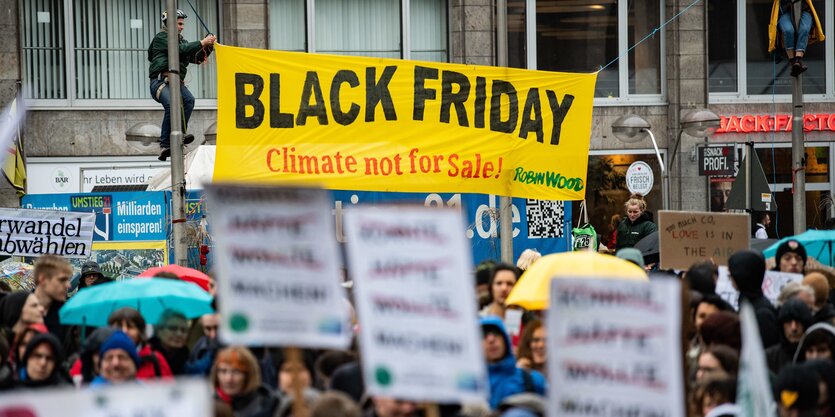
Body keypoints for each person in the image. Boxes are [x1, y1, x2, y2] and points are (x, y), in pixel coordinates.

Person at [147, 9, 216, 161]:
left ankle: (181, 135)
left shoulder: (182, 41)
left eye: (182, 24)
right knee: (173, 104)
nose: (182, 27)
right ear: (169, 24)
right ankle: (165, 144)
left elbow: (196, 58)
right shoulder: (161, 38)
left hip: (176, 83)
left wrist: (208, 46)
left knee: (189, 100)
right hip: (160, 81)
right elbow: (178, 50)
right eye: (179, 24)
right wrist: (201, 42)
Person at [481, 316, 546, 410]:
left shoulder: (533, 380)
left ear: (505, 339)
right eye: (483, 335)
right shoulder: (464, 386)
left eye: (496, 333)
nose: (491, 339)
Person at [728, 250, 780, 348]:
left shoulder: (763, 313)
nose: (730, 278)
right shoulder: (747, 304)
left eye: (732, 274)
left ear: (741, 275)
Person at [211, 346, 280, 417]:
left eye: (236, 371)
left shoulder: (267, 406)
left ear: (249, 375)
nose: (229, 379)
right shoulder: (206, 406)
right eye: (223, 371)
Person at [108, 307, 172, 380]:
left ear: (140, 332)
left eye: (130, 327)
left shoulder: (156, 359)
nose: (124, 331)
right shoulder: (105, 361)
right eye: (119, 327)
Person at [768, 0, 825, 77]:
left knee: (804, 29)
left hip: (804, 11)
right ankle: (793, 61)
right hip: (785, 13)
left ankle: (797, 60)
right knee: (788, 30)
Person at [32, 255, 72, 346]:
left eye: (68, 280)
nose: (68, 285)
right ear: (43, 279)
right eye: (62, 280)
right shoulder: (18, 308)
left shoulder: (66, 317)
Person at [766, 298, 813, 374]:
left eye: (798, 321)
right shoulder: (769, 357)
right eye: (788, 322)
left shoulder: (815, 355)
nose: (794, 328)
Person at [150, 309, 191, 375]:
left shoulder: (186, 357)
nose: (179, 334)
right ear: (159, 331)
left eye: (183, 330)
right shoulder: (149, 357)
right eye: (173, 329)